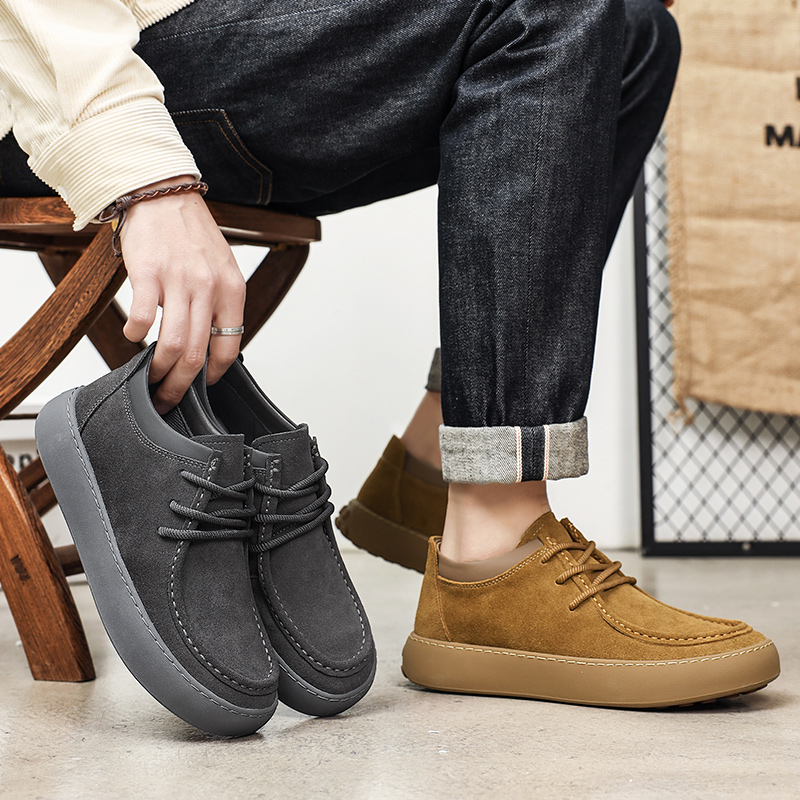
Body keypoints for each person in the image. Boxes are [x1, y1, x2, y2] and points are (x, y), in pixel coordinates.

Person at [0, 0, 780, 712]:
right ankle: (493, 551)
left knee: (636, 33)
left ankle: (437, 463)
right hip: (62, 67)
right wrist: (144, 177)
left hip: (210, 44)